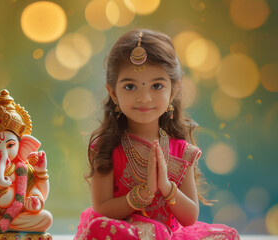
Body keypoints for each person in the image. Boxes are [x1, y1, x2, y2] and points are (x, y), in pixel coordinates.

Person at [74, 29, 240, 240]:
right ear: (113, 93)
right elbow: (101, 208)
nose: (144, 97)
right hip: (126, 234)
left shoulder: (182, 151)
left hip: (170, 235)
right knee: (101, 228)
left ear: (173, 90)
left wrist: (166, 187)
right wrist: (142, 194)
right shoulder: (107, 147)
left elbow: (189, 218)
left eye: (157, 86)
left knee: (226, 235)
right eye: (130, 86)